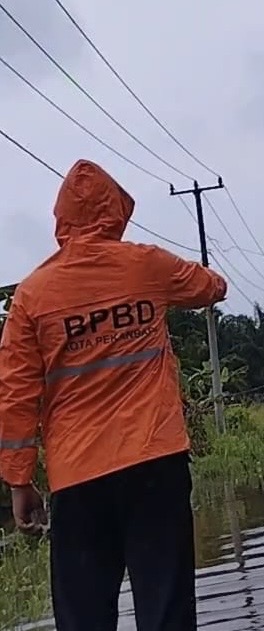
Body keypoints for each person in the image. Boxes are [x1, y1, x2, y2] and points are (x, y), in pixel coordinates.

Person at [0, 159, 227, 630]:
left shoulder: (32, 295)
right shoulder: (147, 265)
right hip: (156, 466)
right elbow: (211, 287)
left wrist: (19, 481)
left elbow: (16, 393)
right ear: (116, 210)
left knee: (84, 616)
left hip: (78, 479)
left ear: (62, 217)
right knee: (167, 611)